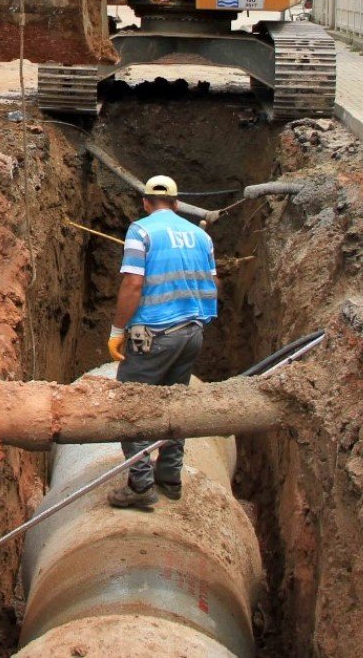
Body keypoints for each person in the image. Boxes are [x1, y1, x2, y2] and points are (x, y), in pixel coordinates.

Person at [106, 175, 219, 510]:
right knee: (174, 404)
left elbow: (132, 285)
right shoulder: (201, 236)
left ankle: (141, 485)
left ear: (145, 202)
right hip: (192, 333)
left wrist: (117, 330)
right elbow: (214, 282)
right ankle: (169, 476)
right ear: (176, 201)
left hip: (154, 337)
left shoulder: (140, 231)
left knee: (129, 407)